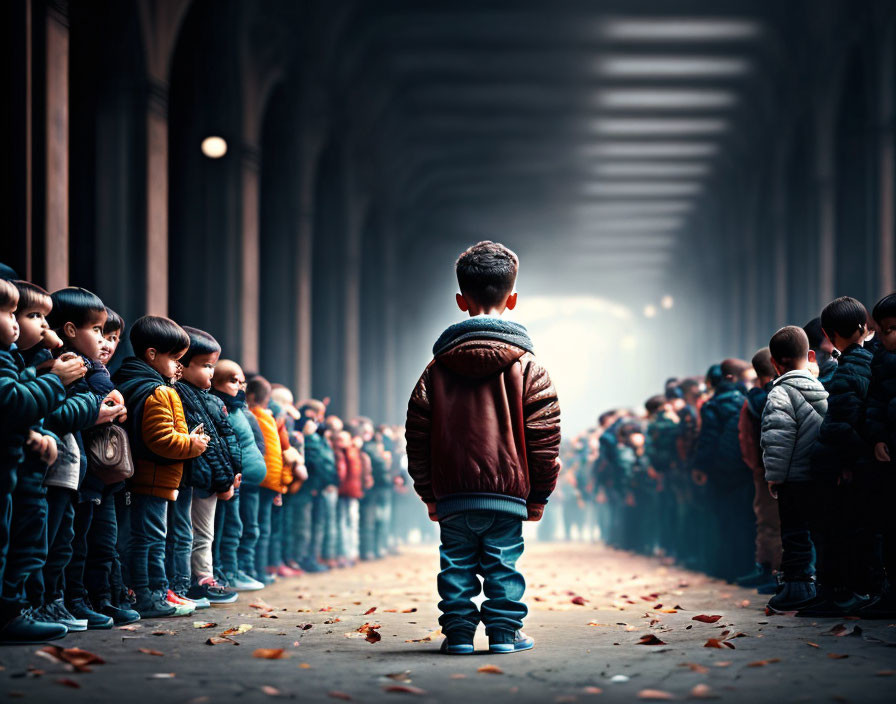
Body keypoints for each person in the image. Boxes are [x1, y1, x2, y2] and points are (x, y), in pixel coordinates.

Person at [405, 240, 561, 655]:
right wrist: (539, 494)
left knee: (455, 564)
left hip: (453, 494)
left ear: (460, 300)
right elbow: (545, 437)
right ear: (512, 300)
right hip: (508, 493)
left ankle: (457, 636)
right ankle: (505, 636)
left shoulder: (435, 370)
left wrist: (428, 492)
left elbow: (417, 435)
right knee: (503, 564)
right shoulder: (530, 368)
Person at [0, 279, 82, 643]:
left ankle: (19, 609)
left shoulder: (17, 360)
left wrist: (43, 434)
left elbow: (26, 408)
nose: (18, 322)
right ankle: (16, 611)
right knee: (21, 543)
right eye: (32, 315)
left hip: (23, 474)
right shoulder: (13, 359)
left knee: (34, 543)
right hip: (19, 474)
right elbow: (13, 403)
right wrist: (56, 380)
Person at [113, 315, 209, 618]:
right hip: (153, 480)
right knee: (150, 540)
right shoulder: (159, 390)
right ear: (152, 355)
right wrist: (191, 445)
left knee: (144, 538)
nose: (178, 367)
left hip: (143, 479)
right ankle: (148, 595)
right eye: (175, 358)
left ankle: (152, 591)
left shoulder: (129, 380)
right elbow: (160, 440)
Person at [805, 296, 874, 616]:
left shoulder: (847, 369)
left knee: (832, 530)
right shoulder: (872, 360)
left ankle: (838, 594)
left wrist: (840, 460)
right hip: (860, 460)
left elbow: (841, 420)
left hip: (841, 465)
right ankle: (849, 590)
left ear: (829, 336)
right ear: (865, 328)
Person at [760, 327, 828, 613]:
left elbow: (777, 437)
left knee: (795, 535)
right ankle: (821, 586)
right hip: (820, 475)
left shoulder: (780, 393)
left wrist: (774, 477)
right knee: (820, 533)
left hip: (793, 479)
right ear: (810, 355)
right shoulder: (823, 389)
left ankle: (797, 588)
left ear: (774, 363)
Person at [174, 327, 238, 605]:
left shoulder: (212, 400)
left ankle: (204, 578)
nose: (210, 373)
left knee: (204, 533)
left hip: (213, 480)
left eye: (213, 366)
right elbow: (206, 446)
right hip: (195, 478)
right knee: (187, 532)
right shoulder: (178, 396)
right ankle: (189, 581)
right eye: (205, 366)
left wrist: (233, 473)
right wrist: (224, 480)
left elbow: (226, 441)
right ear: (181, 365)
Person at [211, 360, 266, 591]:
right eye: (233, 381)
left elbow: (254, 442)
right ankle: (226, 573)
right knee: (227, 529)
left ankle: (234, 571)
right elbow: (224, 445)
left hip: (242, 481)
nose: (240, 386)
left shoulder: (238, 409)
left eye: (241, 381)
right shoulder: (220, 408)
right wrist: (231, 473)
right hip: (228, 481)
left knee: (239, 527)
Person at [861, 292, 896, 617]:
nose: (888, 336)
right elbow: (873, 406)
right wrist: (877, 439)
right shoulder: (879, 362)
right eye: (884, 330)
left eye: (894, 328)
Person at [737, 348, 782, 593]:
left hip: (763, 468)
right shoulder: (771, 395)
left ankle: (770, 570)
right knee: (771, 522)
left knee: (768, 523)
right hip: (770, 469)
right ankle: (772, 571)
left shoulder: (754, 399)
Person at [246, 376, 293, 584]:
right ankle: (259, 570)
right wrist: (281, 483)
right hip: (268, 480)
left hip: (262, 480)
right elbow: (279, 454)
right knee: (260, 528)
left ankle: (257, 570)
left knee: (256, 527)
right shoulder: (270, 417)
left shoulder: (260, 416)